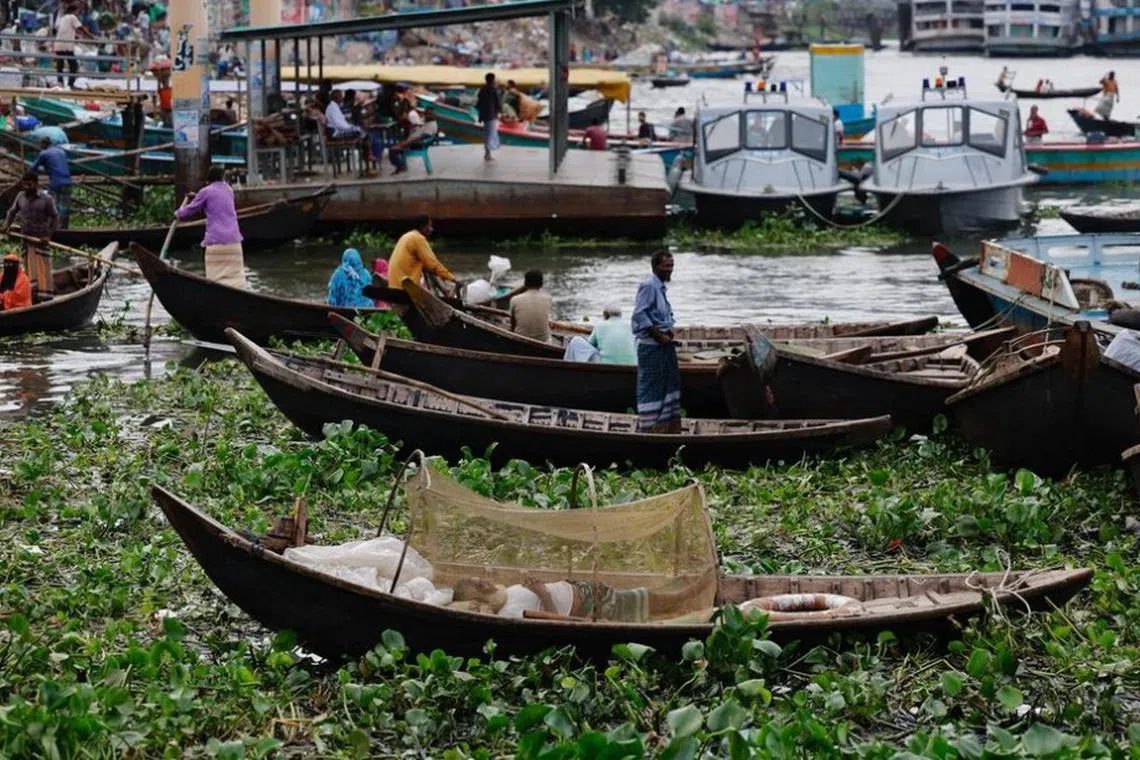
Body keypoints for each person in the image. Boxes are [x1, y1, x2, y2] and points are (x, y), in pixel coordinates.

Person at [632, 251, 680, 434]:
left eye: (672, 265)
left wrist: (668, 331)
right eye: (666, 266)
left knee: (667, 386)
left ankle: (665, 427)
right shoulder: (649, 286)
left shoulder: (660, 288)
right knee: (651, 387)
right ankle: (649, 428)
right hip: (651, 347)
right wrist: (658, 335)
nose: (670, 269)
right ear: (655, 267)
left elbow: (665, 315)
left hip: (663, 346)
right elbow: (639, 314)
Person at [174, 165, 246, 288]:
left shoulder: (206, 191)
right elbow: (216, 199)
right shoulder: (229, 190)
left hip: (216, 243)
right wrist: (197, 196)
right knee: (236, 282)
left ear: (208, 180)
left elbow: (189, 211)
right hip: (235, 243)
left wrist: (177, 213)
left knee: (216, 282)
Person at [3, 172, 59, 298]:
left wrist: (48, 236)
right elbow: (12, 212)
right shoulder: (20, 197)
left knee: (43, 271)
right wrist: (6, 225)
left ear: (36, 184)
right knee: (29, 271)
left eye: (29, 184)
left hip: (41, 241)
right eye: (24, 184)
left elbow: (55, 218)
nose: (27, 187)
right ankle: (31, 295)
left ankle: (45, 296)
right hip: (26, 241)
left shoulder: (46, 199)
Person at [387, 215, 456, 293]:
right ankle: (445, 292)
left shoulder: (406, 236)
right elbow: (433, 265)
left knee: (426, 267)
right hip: (405, 286)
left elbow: (428, 266)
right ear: (423, 227)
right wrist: (453, 279)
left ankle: (444, 291)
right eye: (429, 226)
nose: (431, 229)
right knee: (431, 268)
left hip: (394, 284)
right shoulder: (418, 238)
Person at [325, 90, 375, 173]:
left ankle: (367, 155)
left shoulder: (334, 107)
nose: (342, 98)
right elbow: (340, 125)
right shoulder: (333, 108)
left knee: (362, 133)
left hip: (338, 131)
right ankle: (367, 155)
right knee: (362, 132)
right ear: (337, 98)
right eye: (341, 96)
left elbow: (342, 122)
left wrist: (352, 127)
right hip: (335, 135)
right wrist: (352, 128)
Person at [30, 137, 72, 230]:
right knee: (65, 207)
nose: (40, 147)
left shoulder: (44, 153)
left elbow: (33, 168)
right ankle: (64, 229)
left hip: (56, 183)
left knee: (52, 206)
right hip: (68, 182)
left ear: (44, 144)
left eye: (40, 145)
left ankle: (53, 228)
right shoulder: (61, 152)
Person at [389, 108, 438, 174]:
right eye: (425, 114)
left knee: (392, 150)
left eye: (426, 114)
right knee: (396, 146)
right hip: (414, 141)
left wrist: (406, 143)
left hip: (416, 144)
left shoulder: (430, 125)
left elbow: (422, 137)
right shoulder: (430, 122)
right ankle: (400, 165)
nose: (425, 116)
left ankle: (400, 166)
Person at [55, 3, 92, 89]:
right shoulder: (72, 17)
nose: (78, 13)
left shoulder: (63, 18)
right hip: (66, 46)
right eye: (78, 11)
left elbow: (65, 30)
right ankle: (70, 84)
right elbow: (81, 28)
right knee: (74, 65)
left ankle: (60, 83)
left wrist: (75, 36)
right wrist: (91, 37)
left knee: (60, 65)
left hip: (58, 44)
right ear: (74, 11)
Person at [509, 269, 552, 342]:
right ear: (541, 284)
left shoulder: (515, 299)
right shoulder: (548, 298)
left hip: (520, 339)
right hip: (543, 340)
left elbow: (512, 324)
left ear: (525, 283)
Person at [476, 72, 501, 161]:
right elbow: (497, 103)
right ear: (492, 80)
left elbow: (478, 104)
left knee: (487, 135)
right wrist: (499, 112)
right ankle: (487, 154)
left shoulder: (482, 89)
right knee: (490, 135)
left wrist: (480, 115)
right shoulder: (493, 90)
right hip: (491, 115)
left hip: (484, 115)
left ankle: (487, 153)